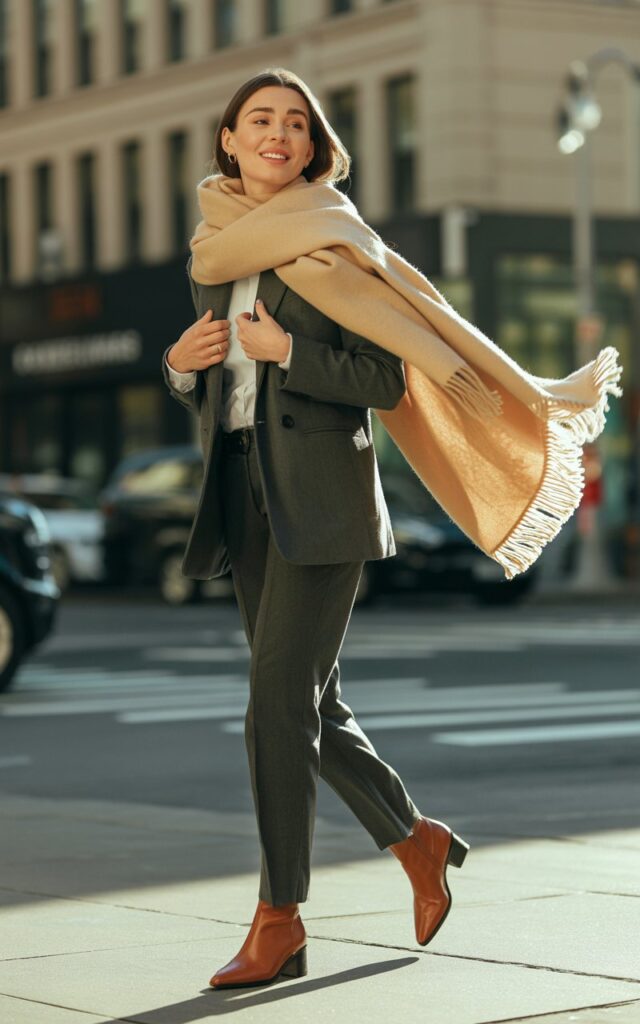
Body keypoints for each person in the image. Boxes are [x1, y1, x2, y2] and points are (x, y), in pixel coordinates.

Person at [162, 68, 469, 991]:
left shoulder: (339, 242)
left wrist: (289, 350)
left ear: (313, 146)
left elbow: (386, 377)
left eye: (296, 122)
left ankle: (280, 919)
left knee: (274, 707)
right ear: (229, 140)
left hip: (325, 502)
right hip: (245, 496)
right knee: (307, 707)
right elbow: (219, 392)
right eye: (260, 119)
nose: (278, 132)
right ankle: (416, 840)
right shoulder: (216, 250)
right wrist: (181, 368)